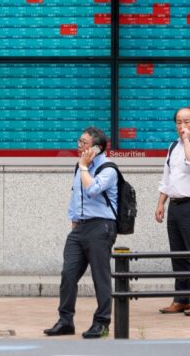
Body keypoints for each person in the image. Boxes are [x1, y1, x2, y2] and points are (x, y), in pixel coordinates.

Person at [44, 126, 118, 339]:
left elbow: (92, 190)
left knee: (100, 277)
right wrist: (74, 221)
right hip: (80, 228)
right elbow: (76, 195)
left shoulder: (108, 169)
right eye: (79, 141)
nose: (79, 146)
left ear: (97, 148)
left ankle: (102, 323)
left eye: (84, 143)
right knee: (68, 274)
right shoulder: (80, 167)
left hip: (101, 227)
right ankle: (65, 320)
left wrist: (85, 167)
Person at [155, 107, 190, 316]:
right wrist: (161, 203)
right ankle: (181, 299)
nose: (182, 126)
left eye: (187, 122)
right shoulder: (173, 147)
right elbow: (167, 178)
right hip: (175, 206)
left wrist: (187, 139)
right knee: (178, 255)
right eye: (179, 122)